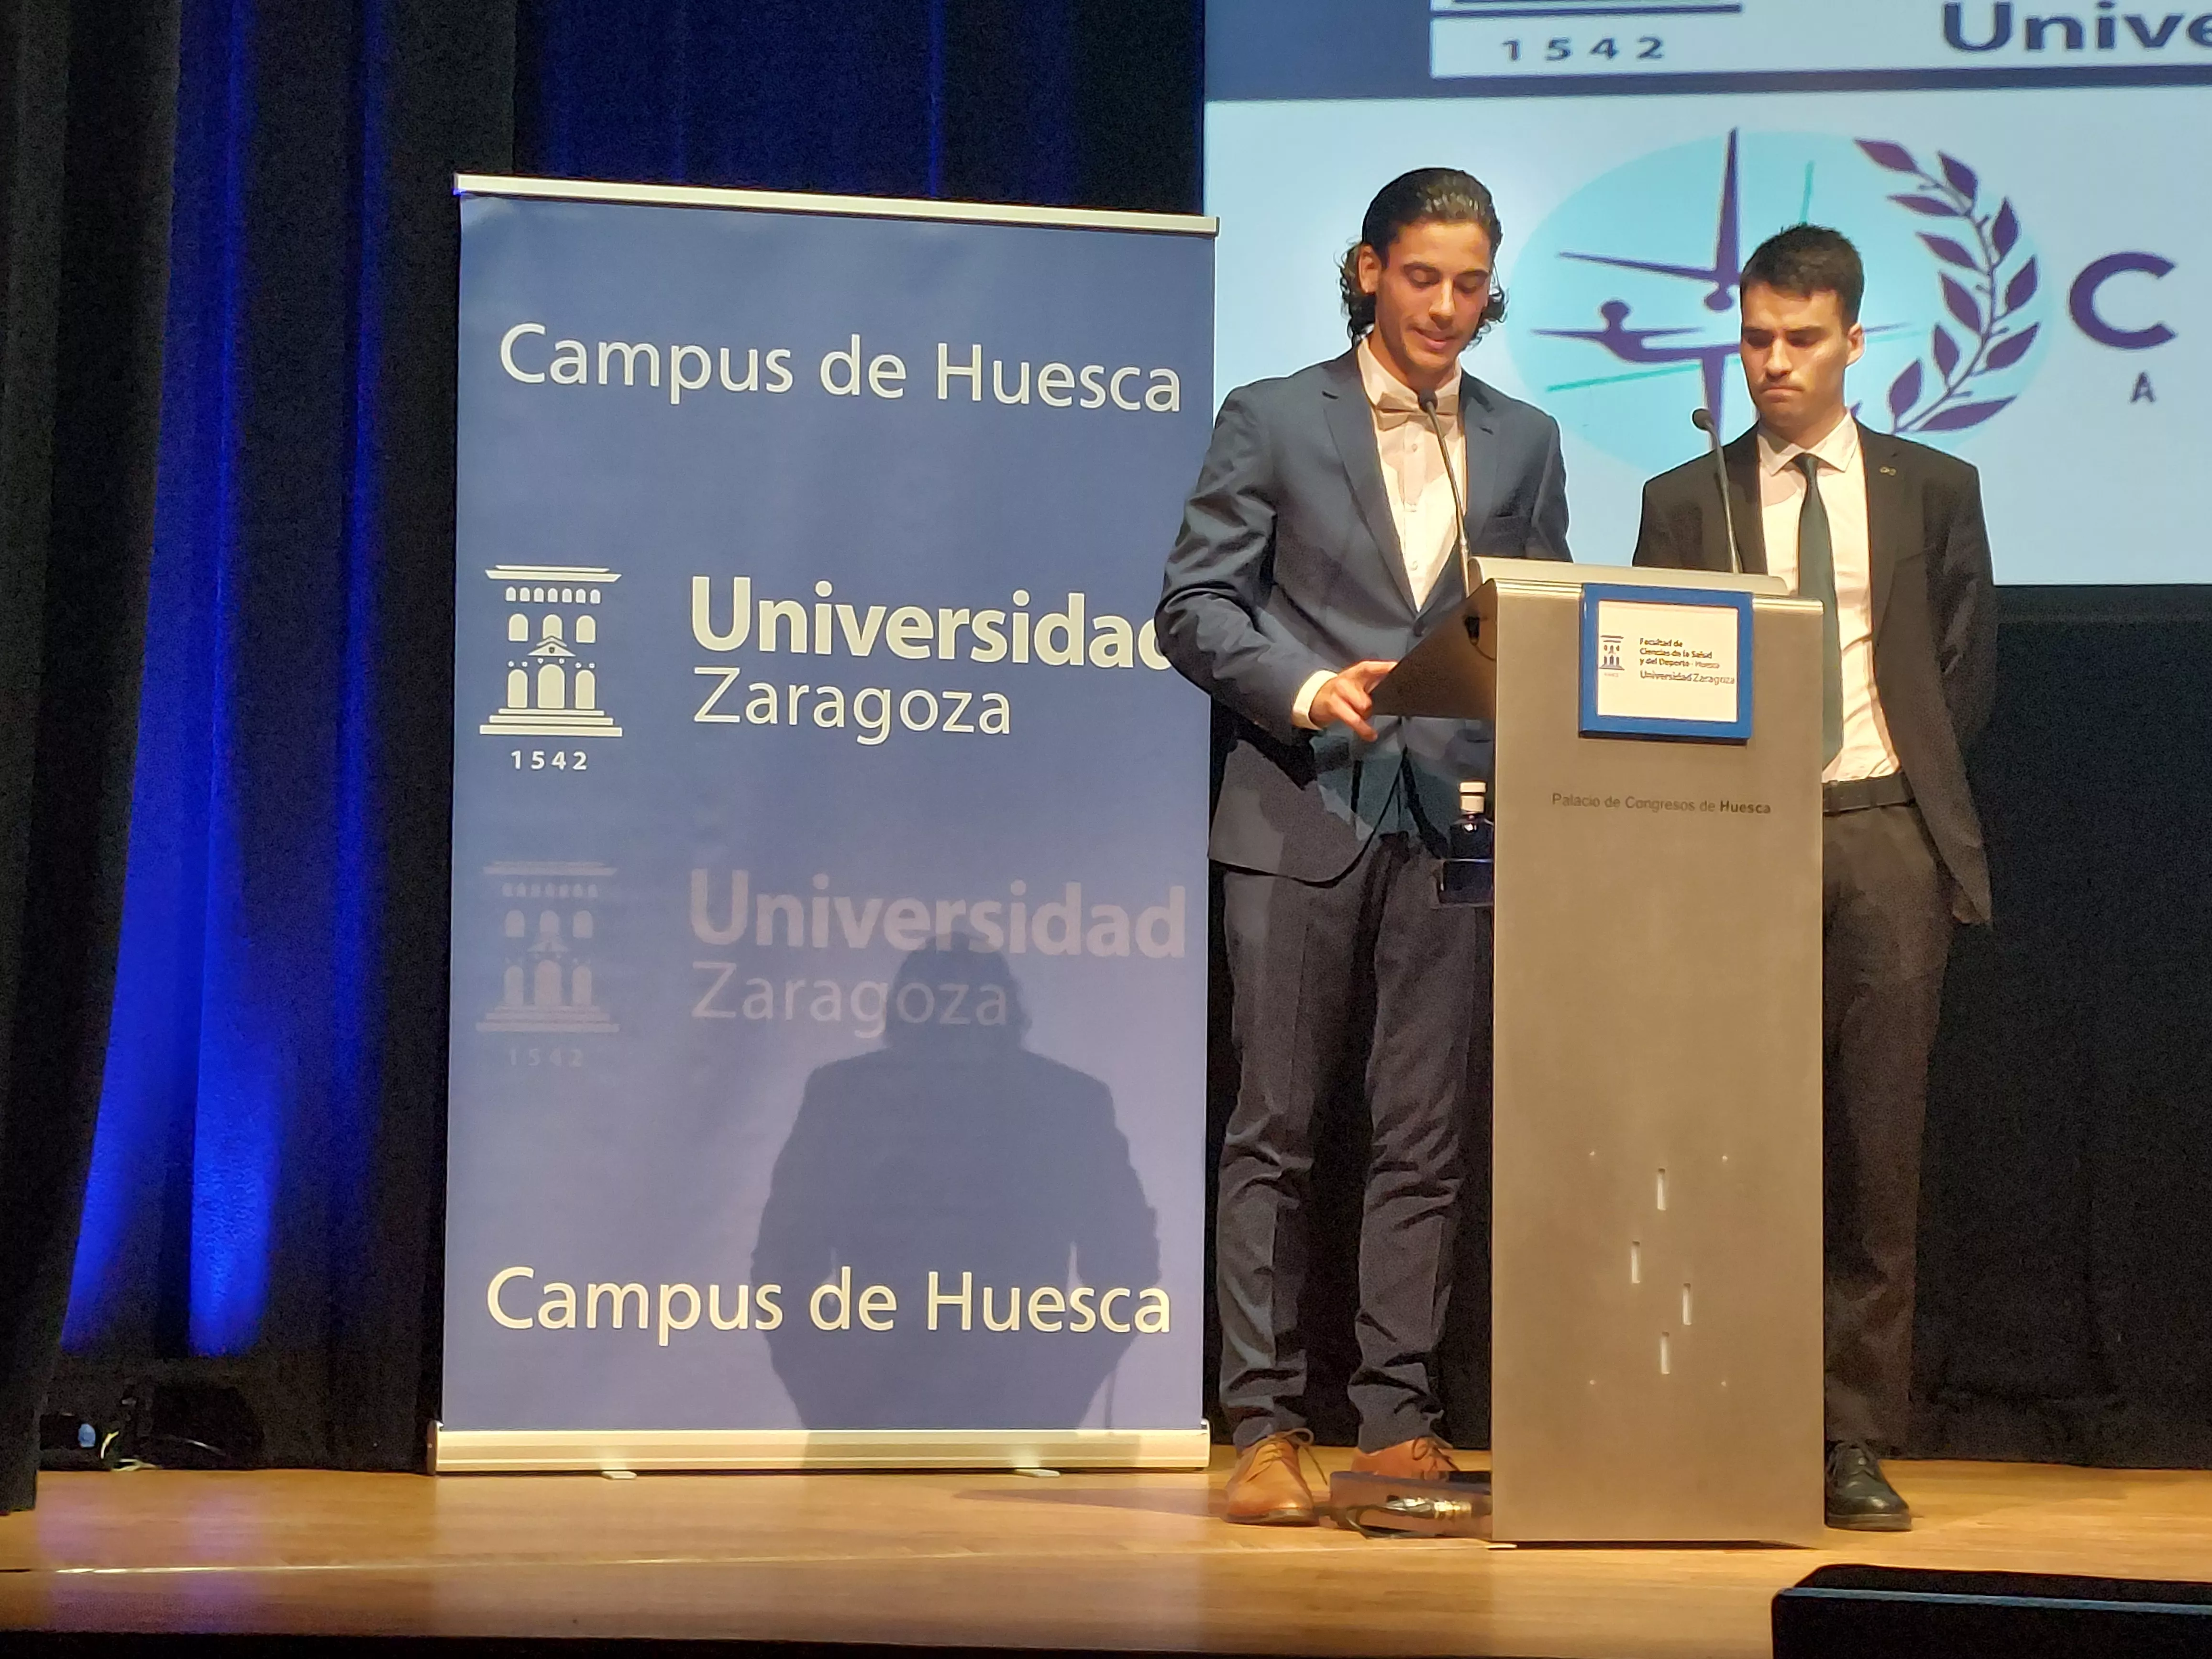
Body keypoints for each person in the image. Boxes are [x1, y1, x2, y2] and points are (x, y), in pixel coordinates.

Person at [1157, 168, 1571, 1526]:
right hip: (1300, 810)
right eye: (1423, 278)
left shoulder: (1520, 441)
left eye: (1470, 285)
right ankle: (1266, 1423)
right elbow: (1197, 605)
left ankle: (1397, 1420)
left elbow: (1541, 618)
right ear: (1367, 270)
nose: (1449, 307)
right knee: (1275, 1129)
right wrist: (1302, 682)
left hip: (1455, 821)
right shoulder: (1273, 417)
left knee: (1426, 1135)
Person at [1633, 224, 1995, 1531]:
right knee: (1735, 1143)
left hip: (1887, 832)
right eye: (1754, 340)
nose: (1772, 365)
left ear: (1853, 340)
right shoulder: (1689, 499)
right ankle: (1728, 1410)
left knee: (1872, 1152)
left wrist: (1892, 788)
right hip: (1737, 846)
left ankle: (1853, 1436)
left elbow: (1963, 671)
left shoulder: (1931, 485)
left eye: (1799, 341)